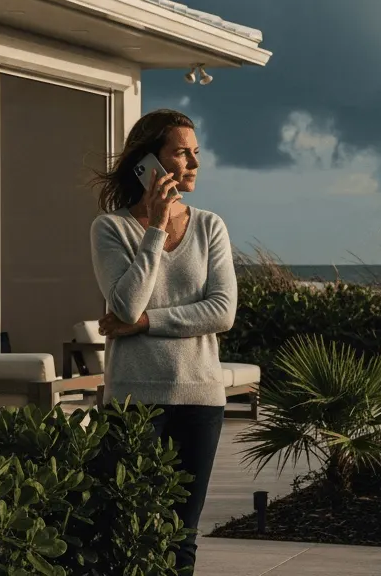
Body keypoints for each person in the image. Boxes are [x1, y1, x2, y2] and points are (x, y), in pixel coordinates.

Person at [90, 108, 236, 574]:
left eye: (196, 152)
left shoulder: (210, 226)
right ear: (149, 162)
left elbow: (222, 311)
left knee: (182, 538)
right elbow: (125, 306)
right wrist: (155, 227)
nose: (194, 163)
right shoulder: (110, 229)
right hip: (134, 401)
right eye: (181, 152)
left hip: (200, 400)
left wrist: (149, 321)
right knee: (128, 532)